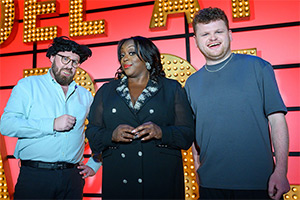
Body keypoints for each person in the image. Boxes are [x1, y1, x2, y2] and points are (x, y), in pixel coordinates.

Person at [185, 7, 290, 200]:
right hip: (211, 186)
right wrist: (198, 168)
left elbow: (277, 120)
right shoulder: (191, 83)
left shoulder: (259, 67)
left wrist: (281, 171)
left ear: (230, 35)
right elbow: (192, 134)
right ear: (196, 41)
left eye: (218, 32)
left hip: (259, 183)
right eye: (205, 34)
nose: (213, 38)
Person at [86, 36, 194, 199]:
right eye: (122, 55)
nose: (125, 58)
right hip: (119, 182)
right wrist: (111, 136)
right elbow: (92, 133)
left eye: (131, 53)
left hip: (162, 183)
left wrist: (161, 132)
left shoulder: (171, 88)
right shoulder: (107, 91)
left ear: (148, 57)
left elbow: (187, 135)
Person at [0, 36, 101, 199]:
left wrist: (95, 164)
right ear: (52, 57)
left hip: (72, 178)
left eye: (75, 62)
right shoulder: (28, 86)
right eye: (65, 59)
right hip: (35, 177)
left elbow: (100, 131)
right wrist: (51, 124)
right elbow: (7, 125)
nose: (70, 65)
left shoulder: (85, 95)